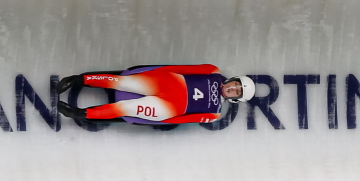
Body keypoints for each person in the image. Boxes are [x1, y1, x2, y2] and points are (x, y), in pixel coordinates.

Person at [56, 64, 249, 126]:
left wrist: (155, 121)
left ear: (235, 98)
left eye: (237, 92)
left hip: (167, 108)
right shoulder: (212, 71)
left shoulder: (214, 114)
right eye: (236, 84)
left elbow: (180, 120)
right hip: (165, 81)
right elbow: (183, 68)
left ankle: (81, 114)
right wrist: (153, 69)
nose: (233, 88)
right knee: (123, 82)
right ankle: (78, 80)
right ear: (233, 79)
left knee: (126, 108)